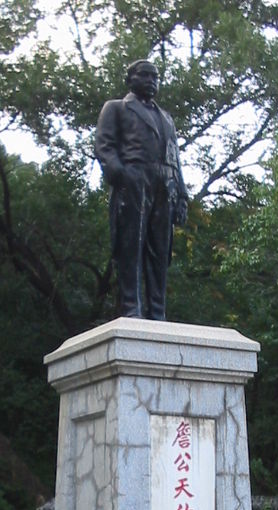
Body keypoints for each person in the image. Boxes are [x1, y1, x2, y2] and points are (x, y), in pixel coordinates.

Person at [95, 60, 188, 320]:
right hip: (134, 181)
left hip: (164, 186)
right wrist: (122, 175)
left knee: (160, 252)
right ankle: (131, 309)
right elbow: (104, 146)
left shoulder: (166, 117)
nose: (151, 81)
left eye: (155, 77)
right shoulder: (115, 108)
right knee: (131, 247)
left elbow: (175, 158)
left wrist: (181, 195)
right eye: (145, 75)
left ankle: (157, 313)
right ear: (130, 79)